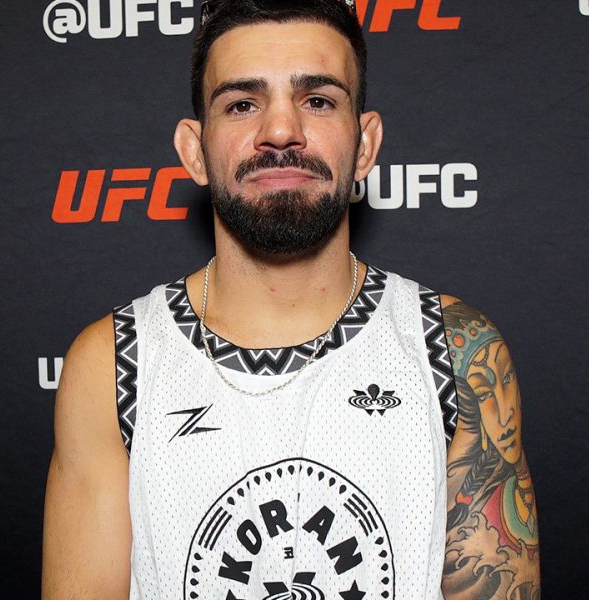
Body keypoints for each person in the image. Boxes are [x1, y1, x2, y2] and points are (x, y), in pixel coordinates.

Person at [41, 1, 541, 598]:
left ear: (365, 143)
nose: (281, 131)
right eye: (243, 103)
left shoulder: (458, 351)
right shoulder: (114, 362)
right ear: (195, 151)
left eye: (319, 100)